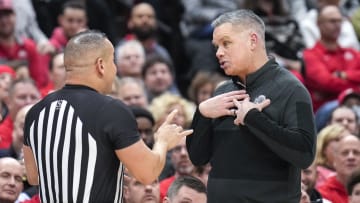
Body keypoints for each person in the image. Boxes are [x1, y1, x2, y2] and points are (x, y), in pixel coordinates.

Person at [22, 30, 193, 203]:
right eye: (113, 61)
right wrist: (163, 141)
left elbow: (34, 177)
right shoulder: (111, 110)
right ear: (101, 65)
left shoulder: (35, 112)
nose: (115, 68)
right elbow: (147, 174)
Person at [186, 9, 316, 202]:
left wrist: (254, 119)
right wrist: (202, 115)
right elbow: (198, 158)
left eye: (226, 43)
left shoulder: (293, 89)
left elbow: (305, 154)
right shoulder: (222, 93)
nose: (219, 52)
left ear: (252, 41)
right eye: (216, 46)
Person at [318, 134, 360, 203]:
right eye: (345, 153)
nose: (351, 157)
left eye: (356, 153)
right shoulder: (322, 195)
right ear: (334, 161)